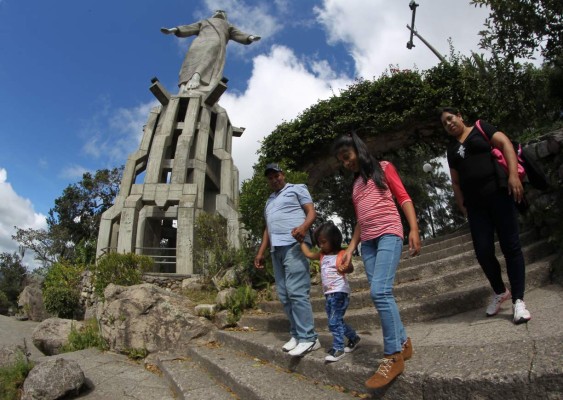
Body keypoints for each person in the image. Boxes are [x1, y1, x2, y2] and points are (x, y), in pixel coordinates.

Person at [333, 132, 421, 389]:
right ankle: (403, 343)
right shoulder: (356, 185)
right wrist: (350, 248)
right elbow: (361, 220)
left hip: (389, 234)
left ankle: (392, 355)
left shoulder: (383, 168)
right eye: (341, 160)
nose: (346, 162)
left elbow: (403, 197)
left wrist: (413, 229)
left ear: (358, 150)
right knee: (380, 293)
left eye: (347, 156)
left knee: (381, 291)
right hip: (369, 243)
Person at [440, 107, 531, 325]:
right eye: (444, 123)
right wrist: (461, 203)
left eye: (450, 119)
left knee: (511, 246)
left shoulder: (481, 128)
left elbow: (505, 143)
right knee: (483, 252)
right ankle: (500, 291)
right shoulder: (451, 149)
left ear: (460, 116)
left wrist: (513, 175)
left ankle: (518, 300)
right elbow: (455, 180)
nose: (449, 124)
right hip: (476, 207)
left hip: (499, 195)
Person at [254, 163, 320, 357]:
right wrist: (260, 252)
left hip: (295, 244)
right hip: (276, 249)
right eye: (270, 178)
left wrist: (304, 227)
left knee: (296, 290)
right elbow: (268, 228)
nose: (274, 179)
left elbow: (311, 212)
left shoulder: (297, 188)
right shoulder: (269, 201)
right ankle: (297, 334)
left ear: (283, 174)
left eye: (276, 175)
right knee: (284, 294)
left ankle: (309, 337)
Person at [300, 221, 361, 362]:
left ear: (333, 239)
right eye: (319, 243)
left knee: (333, 322)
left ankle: (339, 348)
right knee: (336, 320)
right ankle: (354, 338)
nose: (321, 245)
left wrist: (346, 268)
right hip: (329, 294)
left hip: (340, 292)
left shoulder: (341, 253)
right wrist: (301, 241)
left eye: (323, 242)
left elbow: (350, 268)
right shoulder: (322, 255)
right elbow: (309, 254)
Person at [161, 10, 261, 92]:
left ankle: (197, 76)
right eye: (218, 11)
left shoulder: (227, 25)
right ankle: (185, 83)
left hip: (215, 41)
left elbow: (238, 33)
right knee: (190, 60)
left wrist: (250, 37)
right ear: (213, 14)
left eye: (223, 12)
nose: (220, 12)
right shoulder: (205, 21)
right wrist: (173, 30)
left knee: (208, 56)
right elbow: (189, 27)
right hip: (198, 42)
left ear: (225, 17)